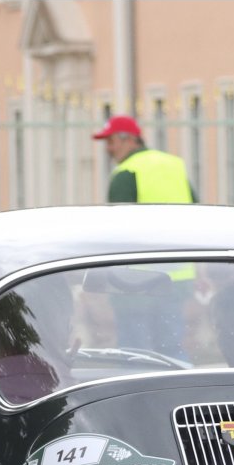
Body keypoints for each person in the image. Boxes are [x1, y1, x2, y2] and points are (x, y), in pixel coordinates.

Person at [92, 114, 196, 356]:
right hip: (177, 277)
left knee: (134, 355)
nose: (108, 149)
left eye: (111, 142)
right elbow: (196, 211)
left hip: (136, 282)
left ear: (128, 140)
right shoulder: (174, 165)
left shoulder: (127, 172)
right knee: (172, 351)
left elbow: (118, 230)